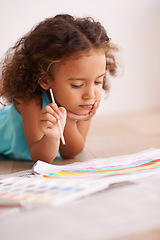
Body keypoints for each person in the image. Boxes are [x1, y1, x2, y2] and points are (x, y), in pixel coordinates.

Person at [0, 14, 117, 163]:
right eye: (77, 85)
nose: (90, 94)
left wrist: (67, 120)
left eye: (98, 82)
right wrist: (51, 136)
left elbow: (71, 152)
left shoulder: (84, 102)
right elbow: (39, 157)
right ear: (45, 79)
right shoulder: (30, 100)